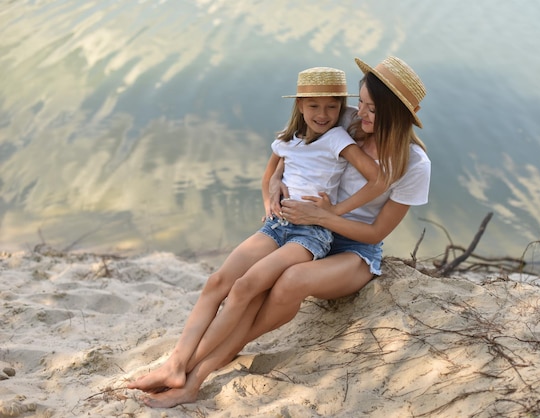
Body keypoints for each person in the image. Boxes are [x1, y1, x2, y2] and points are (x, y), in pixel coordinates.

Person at [130, 56, 431, 408]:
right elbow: (294, 150)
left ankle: (195, 377)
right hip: (304, 226)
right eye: (360, 103)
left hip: (353, 250)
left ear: (397, 115)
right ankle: (177, 366)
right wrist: (274, 183)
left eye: (372, 110)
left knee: (288, 281)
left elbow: (376, 231)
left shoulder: (414, 165)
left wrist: (326, 216)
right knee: (243, 285)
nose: (360, 114)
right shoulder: (346, 121)